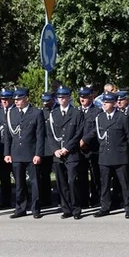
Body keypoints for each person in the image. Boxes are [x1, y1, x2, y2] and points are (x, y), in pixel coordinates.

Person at [89, 92, 129, 218]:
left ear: (114, 103)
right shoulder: (100, 118)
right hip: (104, 155)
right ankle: (105, 207)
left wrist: (123, 151)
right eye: (104, 102)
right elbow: (100, 138)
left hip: (120, 155)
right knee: (105, 184)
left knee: (125, 184)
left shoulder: (122, 118)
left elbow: (128, 138)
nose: (104, 104)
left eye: (107, 102)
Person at [48, 86, 88, 219]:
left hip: (71, 153)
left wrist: (67, 148)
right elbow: (50, 134)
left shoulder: (77, 113)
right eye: (59, 97)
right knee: (61, 183)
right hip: (58, 154)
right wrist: (55, 149)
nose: (61, 99)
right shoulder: (53, 114)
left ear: (69, 97)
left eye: (63, 97)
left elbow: (79, 133)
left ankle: (76, 209)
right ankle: (66, 208)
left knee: (72, 181)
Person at [5, 88, 43, 218]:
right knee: (19, 183)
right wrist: (7, 153)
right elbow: (8, 136)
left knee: (35, 182)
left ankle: (36, 208)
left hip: (31, 153)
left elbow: (39, 136)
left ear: (26, 98)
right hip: (16, 153)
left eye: (19, 99)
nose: (16, 101)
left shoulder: (36, 113)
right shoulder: (11, 113)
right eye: (15, 99)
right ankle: (20, 208)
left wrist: (38, 154)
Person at [0, 89, 15, 211]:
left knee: (18, 176)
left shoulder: (15, 111)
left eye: (6, 99)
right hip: (2, 148)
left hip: (14, 148)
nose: (4, 101)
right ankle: (5, 200)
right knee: (4, 176)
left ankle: (23, 200)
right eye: (2, 99)